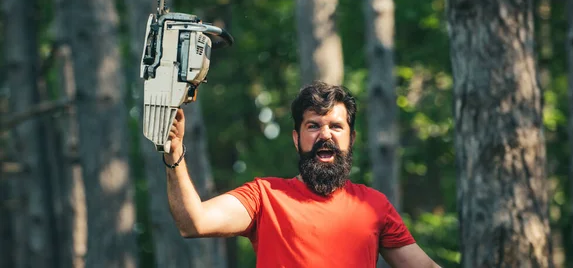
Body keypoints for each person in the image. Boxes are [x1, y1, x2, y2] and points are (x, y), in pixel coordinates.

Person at [164, 81, 441, 268]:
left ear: (351, 138)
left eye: (336, 126)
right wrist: (174, 153)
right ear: (296, 139)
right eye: (313, 126)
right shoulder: (264, 196)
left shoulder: (374, 206)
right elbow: (193, 222)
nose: (325, 135)